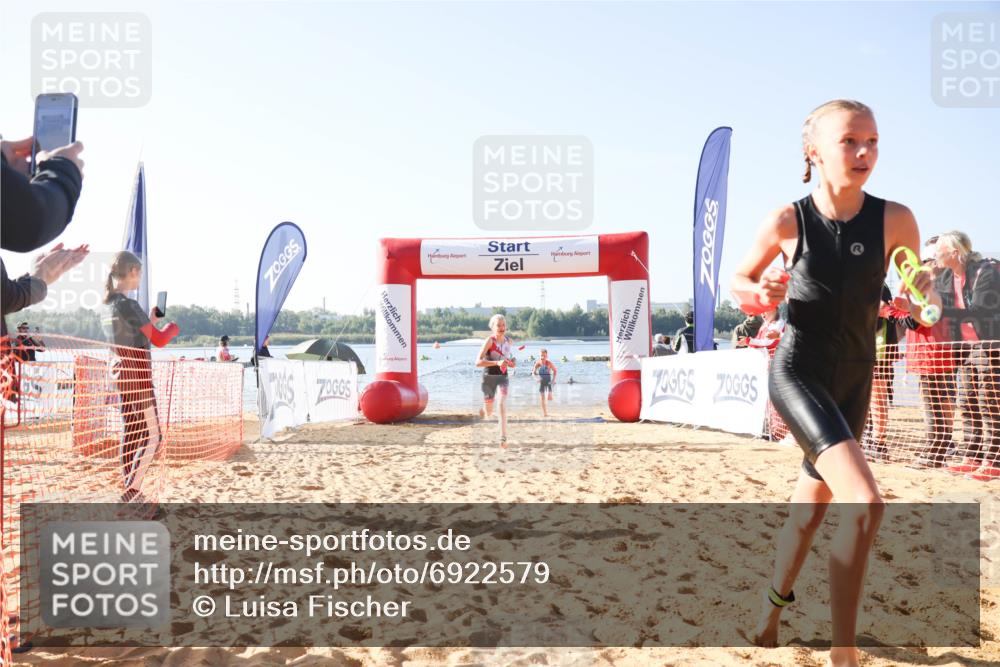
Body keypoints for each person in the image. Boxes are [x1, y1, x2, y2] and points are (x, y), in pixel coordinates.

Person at [730, 99, 939, 666]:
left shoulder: (896, 219)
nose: (865, 151)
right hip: (799, 372)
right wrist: (760, 294)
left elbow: (912, 280)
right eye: (850, 141)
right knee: (865, 504)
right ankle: (842, 653)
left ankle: (770, 611)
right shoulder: (788, 221)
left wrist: (922, 292)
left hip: (855, 379)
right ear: (814, 151)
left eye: (873, 141)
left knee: (808, 513)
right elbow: (741, 281)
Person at [102, 251, 179, 504]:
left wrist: (151, 319)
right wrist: (172, 328)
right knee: (153, 437)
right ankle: (132, 491)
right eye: (140, 273)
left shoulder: (108, 306)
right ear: (133, 271)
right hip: (138, 378)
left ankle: (130, 489)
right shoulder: (129, 305)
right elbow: (159, 340)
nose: (141, 278)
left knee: (132, 432)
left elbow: (133, 335)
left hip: (120, 374)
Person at [932, 231, 1000, 481]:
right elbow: (936, 306)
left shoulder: (985, 272)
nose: (934, 255)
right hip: (964, 347)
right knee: (967, 401)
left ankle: (993, 460)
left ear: (954, 252)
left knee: (988, 402)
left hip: (990, 345)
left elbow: (981, 310)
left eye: (938, 250)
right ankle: (971, 457)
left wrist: (942, 312)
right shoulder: (945, 277)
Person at [903, 239, 958, 468]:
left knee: (934, 402)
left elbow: (919, 320)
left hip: (932, 352)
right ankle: (940, 448)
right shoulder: (946, 285)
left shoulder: (936, 288)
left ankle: (935, 451)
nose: (923, 266)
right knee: (940, 400)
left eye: (927, 261)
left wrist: (901, 309)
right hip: (934, 352)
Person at [865, 284, 906, 461]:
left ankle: (878, 443)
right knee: (864, 398)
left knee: (877, 396)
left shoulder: (879, 286)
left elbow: (885, 310)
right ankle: (868, 438)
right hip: (862, 348)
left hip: (878, 349)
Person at [476, 314, 516, 446]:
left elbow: (508, 358)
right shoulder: (490, 341)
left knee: (501, 403)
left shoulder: (509, 341)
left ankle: (503, 437)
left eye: (503, 325)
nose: (501, 327)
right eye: (498, 325)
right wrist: (497, 363)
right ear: (492, 327)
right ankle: (483, 410)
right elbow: (478, 362)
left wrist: (512, 362)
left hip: (503, 377)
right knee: (489, 412)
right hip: (489, 378)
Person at [532, 348, 558, 416]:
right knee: (542, 398)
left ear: (547, 356)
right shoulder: (538, 363)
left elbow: (555, 371)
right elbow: (533, 372)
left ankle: (551, 395)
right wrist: (536, 379)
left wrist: (553, 380)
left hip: (548, 381)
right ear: (539, 355)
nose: (542, 357)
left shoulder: (549, 363)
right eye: (541, 355)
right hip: (542, 382)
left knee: (550, 398)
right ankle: (545, 413)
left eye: (544, 355)